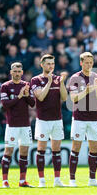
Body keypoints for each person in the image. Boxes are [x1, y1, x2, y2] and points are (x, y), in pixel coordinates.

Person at [67, 52, 97, 187]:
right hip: (79, 118)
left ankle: (92, 180)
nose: (89, 64)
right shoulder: (75, 78)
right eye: (86, 62)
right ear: (81, 63)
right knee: (75, 148)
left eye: (91, 62)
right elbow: (73, 98)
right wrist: (87, 90)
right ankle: (72, 180)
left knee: (94, 149)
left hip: (94, 118)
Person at [31, 54, 68, 187]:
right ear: (42, 65)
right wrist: (50, 82)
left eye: (52, 64)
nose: (51, 66)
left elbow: (64, 98)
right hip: (42, 120)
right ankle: (42, 180)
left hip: (57, 119)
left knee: (56, 151)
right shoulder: (35, 80)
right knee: (41, 149)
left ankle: (57, 180)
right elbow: (40, 97)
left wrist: (62, 83)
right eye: (48, 64)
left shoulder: (58, 79)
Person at [0, 62, 36, 188]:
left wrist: (26, 95)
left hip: (25, 124)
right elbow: (5, 105)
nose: (17, 73)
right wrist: (19, 96)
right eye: (14, 71)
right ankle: (5, 181)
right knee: (8, 151)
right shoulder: (5, 86)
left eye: (19, 71)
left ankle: (22, 181)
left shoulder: (26, 85)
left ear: (22, 72)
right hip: (12, 124)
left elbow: (32, 104)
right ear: (11, 72)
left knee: (24, 151)